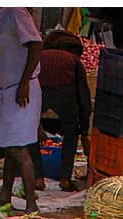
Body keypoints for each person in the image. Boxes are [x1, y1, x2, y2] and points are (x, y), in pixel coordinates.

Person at [0, 7, 43, 213]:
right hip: (7, 89)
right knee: (9, 148)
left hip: (20, 89)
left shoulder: (15, 11)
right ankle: (5, 195)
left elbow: (36, 44)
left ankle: (31, 205)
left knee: (20, 149)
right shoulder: (2, 15)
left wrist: (24, 83)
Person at [36, 30, 91, 191]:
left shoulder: (39, 55)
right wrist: (84, 132)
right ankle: (65, 179)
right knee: (70, 133)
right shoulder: (74, 61)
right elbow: (83, 98)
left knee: (30, 133)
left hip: (39, 91)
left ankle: (38, 178)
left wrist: (36, 122)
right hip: (65, 93)